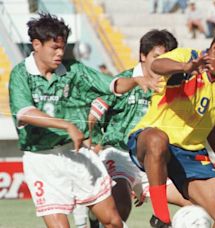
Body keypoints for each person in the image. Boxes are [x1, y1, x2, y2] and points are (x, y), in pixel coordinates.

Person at [8, 13, 148, 228]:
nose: (60, 53)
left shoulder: (74, 70)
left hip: (76, 153)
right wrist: (67, 125)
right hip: (41, 160)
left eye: (62, 47)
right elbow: (24, 112)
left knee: (113, 222)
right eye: (54, 48)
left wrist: (135, 81)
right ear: (36, 44)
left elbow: (111, 85)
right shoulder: (21, 73)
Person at [127, 28, 215, 227]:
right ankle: (161, 218)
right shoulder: (188, 56)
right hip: (150, 140)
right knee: (158, 139)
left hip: (190, 154)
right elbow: (157, 65)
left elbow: (213, 128)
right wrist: (186, 67)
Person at [77, 29, 191, 228]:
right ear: (143, 56)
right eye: (156, 57)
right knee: (121, 205)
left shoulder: (172, 85)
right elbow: (92, 117)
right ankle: (96, 217)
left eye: (166, 58)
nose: (159, 63)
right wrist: (92, 143)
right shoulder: (125, 81)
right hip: (119, 155)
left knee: (195, 203)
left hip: (154, 160)